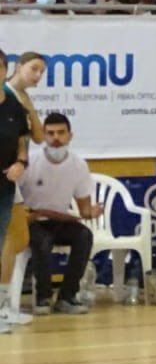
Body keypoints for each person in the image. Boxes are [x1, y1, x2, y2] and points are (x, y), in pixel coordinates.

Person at [21, 113, 100, 315]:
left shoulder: (78, 165)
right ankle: (43, 298)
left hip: (60, 221)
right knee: (43, 241)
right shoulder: (29, 162)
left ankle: (67, 297)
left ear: (70, 135)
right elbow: (15, 198)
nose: (56, 138)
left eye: (61, 133)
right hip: (32, 221)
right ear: (44, 136)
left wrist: (92, 212)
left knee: (84, 235)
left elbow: (84, 209)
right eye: (51, 133)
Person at [0, 52, 43, 326]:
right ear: (18, 67)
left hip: (8, 179)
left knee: (14, 238)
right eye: (33, 68)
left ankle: (6, 304)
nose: (38, 75)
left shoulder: (16, 103)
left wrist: (21, 161)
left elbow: (33, 137)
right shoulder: (10, 92)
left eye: (42, 71)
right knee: (12, 239)